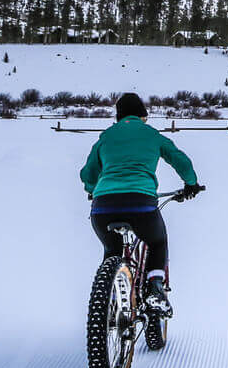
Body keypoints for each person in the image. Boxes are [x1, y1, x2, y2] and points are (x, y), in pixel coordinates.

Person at [80, 92, 200, 317]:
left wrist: (92, 190)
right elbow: (180, 160)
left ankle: (110, 297)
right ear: (142, 116)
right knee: (157, 241)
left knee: (111, 249)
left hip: (103, 207)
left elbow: (88, 173)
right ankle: (154, 285)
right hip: (141, 204)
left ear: (118, 117)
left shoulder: (106, 137)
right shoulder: (152, 135)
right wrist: (191, 184)